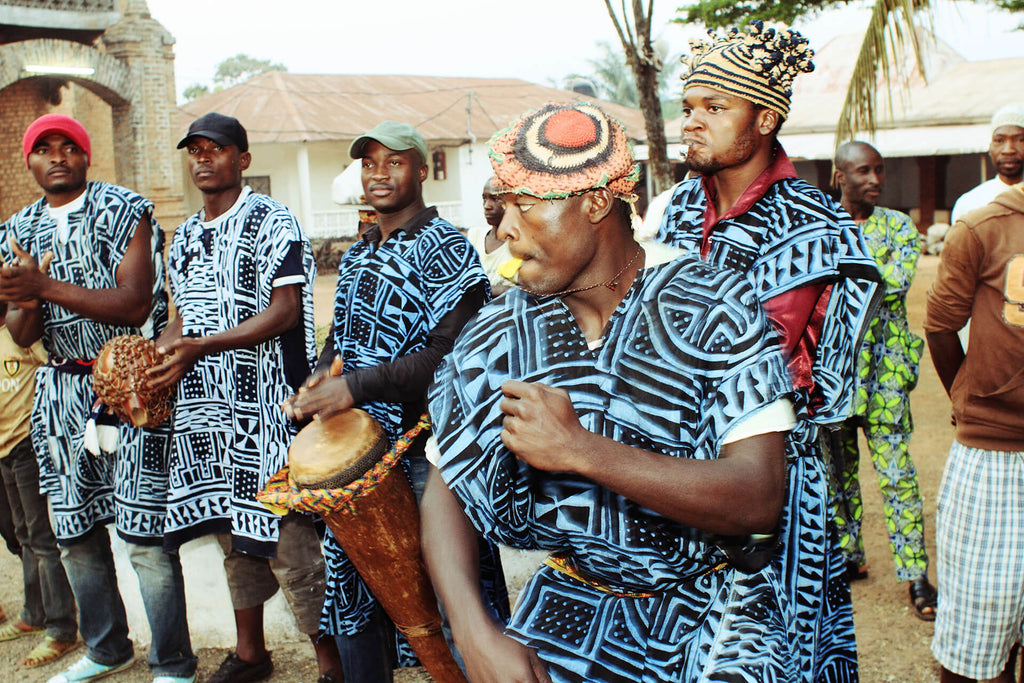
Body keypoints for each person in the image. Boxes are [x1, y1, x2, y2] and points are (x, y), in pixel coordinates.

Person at [422, 100, 800, 682]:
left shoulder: (714, 306)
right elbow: (446, 480)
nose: (505, 231)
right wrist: (474, 632)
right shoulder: (502, 328)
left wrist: (581, 450)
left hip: (711, 615)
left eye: (526, 207)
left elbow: (757, 497)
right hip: (567, 612)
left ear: (596, 201)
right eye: (502, 210)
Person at [653, 23, 881, 681]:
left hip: (770, 485)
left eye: (714, 108)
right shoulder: (674, 213)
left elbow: (741, 364)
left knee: (774, 657)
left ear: (766, 117)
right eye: (688, 106)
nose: (691, 122)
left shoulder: (808, 226)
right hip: (678, 478)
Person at [283, 120, 508, 680]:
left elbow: (446, 358)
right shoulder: (358, 255)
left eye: (395, 161)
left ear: (424, 171)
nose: (379, 174)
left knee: (456, 596)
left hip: (426, 449)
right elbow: (340, 341)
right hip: (363, 454)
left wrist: (354, 387)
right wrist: (319, 378)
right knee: (358, 599)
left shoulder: (449, 250)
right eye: (369, 163)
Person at [146, 112, 342, 683]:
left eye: (218, 148)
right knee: (233, 535)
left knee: (287, 537)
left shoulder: (270, 221)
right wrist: (150, 360)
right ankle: (252, 654)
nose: (204, 158)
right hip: (207, 411)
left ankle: (331, 665)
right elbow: (180, 319)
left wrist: (200, 346)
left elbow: (283, 312)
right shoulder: (182, 235)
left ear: (243, 160)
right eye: (196, 150)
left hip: (267, 407)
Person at [0, 113, 196, 683]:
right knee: (74, 534)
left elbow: (135, 304)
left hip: (129, 388)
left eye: (69, 147)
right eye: (44, 149)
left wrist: (43, 286)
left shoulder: (125, 210)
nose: (57, 156)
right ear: (29, 161)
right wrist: (28, 298)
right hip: (60, 391)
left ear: (86, 156)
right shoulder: (19, 228)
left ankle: (173, 664)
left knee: (144, 537)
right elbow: (21, 333)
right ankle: (108, 647)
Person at [831, 141, 937, 617]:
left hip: (886, 376)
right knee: (837, 476)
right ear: (839, 176)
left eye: (879, 171)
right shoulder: (821, 225)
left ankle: (916, 575)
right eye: (863, 171)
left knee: (898, 477)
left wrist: (837, 278)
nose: (875, 179)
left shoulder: (897, 225)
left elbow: (893, 282)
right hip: (833, 377)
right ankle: (848, 557)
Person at [925, 184, 1024, 683]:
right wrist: (968, 399)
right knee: (977, 642)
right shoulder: (983, 227)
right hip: (993, 459)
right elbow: (941, 327)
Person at [0, 300, 80, 668]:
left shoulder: (19, 337)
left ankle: (62, 628)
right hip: (4, 451)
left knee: (42, 538)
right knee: (24, 534)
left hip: (26, 445)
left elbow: (46, 365)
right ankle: (34, 613)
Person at [950, 103, 1024, 223]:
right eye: (999, 140)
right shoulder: (969, 203)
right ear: (990, 148)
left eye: (1020, 140)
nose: (1009, 150)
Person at [466, 177, 513, 295]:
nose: (487, 206)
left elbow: (525, 292)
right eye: (484, 199)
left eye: (495, 199)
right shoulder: (474, 236)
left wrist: (481, 290)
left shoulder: (521, 244)